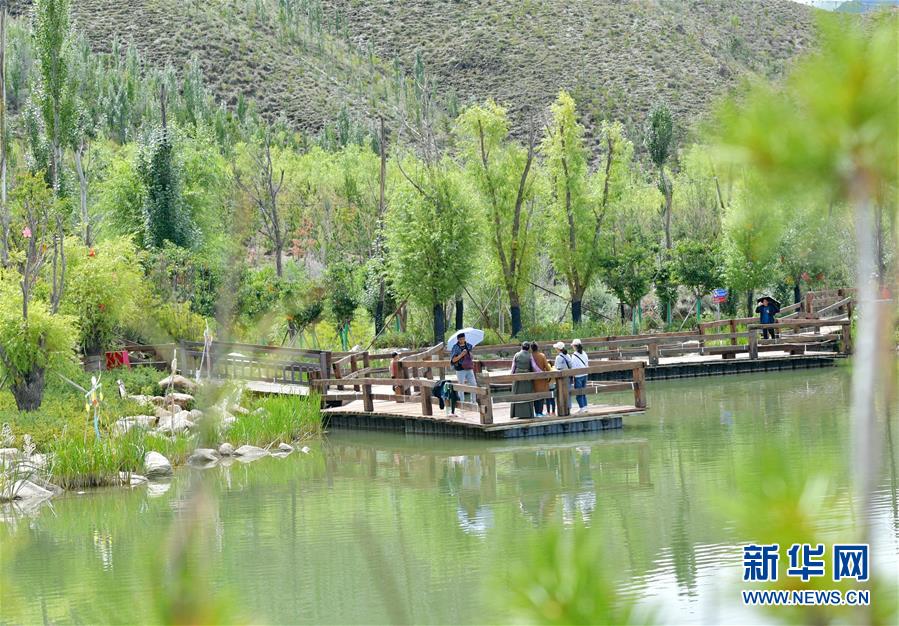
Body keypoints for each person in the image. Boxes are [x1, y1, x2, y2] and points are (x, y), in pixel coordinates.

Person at [510, 342, 537, 419]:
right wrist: (541, 373)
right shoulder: (530, 355)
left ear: (521, 347)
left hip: (517, 377)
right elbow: (534, 366)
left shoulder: (516, 355)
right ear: (528, 348)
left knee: (516, 393)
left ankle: (515, 413)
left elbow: (513, 367)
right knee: (527, 394)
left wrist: (511, 376)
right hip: (527, 377)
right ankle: (528, 414)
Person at [450, 333, 477, 403]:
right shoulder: (455, 347)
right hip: (460, 369)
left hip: (469, 368)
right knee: (461, 385)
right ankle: (461, 402)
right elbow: (453, 360)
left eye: (463, 339)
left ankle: (473, 402)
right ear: (458, 339)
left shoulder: (468, 345)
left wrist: (469, 353)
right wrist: (461, 355)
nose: (462, 340)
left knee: (474, 384)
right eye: (460, 339)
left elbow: (472, 357)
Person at [530, 343, 551, 417]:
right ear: (537, 348)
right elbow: (547, 368)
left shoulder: (530, 356)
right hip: (542, 379)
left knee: (535, 396)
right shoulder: (542, 356)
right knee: (541, 396)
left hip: (533, 379)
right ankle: (540, 412)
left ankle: (536, 412)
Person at [553, 342, 574, 411]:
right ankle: (569, 407)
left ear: (558, 349)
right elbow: (571, 366)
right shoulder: (568, 355)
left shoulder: (558, 357)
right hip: (569, 376)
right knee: (568, 392)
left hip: (562, 378)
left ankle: (563, 408)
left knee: (561, 393)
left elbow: (557, 368)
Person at [571, 338, 589, 413]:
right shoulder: (584, 353)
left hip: (578, 376)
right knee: (583, 391)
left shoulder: (574, 355)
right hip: (585, 374)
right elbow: (587, 363)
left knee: (578, 393)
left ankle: (582, 407)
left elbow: (573, 366)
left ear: (575, 346)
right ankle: (585, 407)